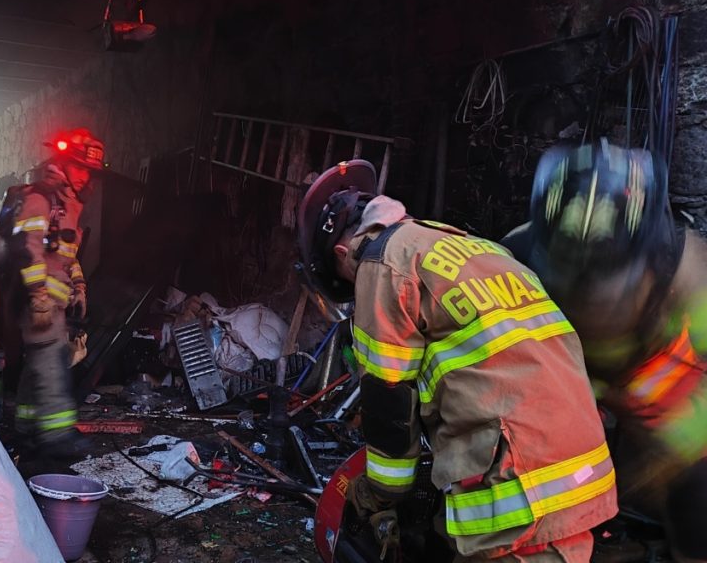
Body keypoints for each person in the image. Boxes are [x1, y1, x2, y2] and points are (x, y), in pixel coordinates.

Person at [297, 159, 617, 562]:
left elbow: (388, 404)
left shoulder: (381, 263)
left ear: (342, 253)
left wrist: (375, 495)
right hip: (582, 465)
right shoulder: (477, 247)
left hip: (518, 486)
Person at [502, 139, 707, 562]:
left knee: (699, 490)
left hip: (656, 387)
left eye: (605, 285)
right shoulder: (514, 258)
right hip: (570, 377)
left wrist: (675, 450)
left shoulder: (688, 272)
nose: (589, 298)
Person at [0, 127, 104, 458]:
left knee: (37, 363)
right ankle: (57, 436)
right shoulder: (40, 198)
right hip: (35, 302)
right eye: (79, 167)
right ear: (63, 164)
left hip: (53, 301)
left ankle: (26, 428)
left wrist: (79, 286)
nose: (84, 176)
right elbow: (28, 251)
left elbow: (67, 255)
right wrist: (39, 297)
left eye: (89, 171)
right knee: (53, 362)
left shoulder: (69, 205)